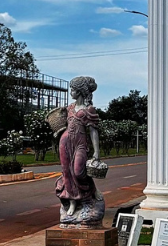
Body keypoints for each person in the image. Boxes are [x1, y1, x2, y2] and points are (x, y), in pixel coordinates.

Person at [55, 75, 107, 227]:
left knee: (78, 171)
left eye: (73, 89)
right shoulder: (69, 108)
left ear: (80, 91)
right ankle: (72, 202)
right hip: (65, 142)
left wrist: (97, 152)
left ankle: (92, 190)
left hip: (80, 144)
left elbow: (93, 132)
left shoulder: (88, 110)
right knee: (67, 173)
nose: (71, 92)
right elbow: (62, 124)